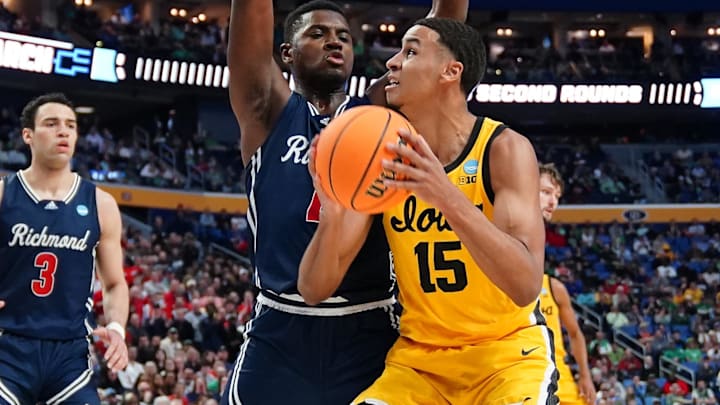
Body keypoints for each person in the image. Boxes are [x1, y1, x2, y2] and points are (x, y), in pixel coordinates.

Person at [300, 18, 558, 404]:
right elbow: (313, 288)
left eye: (411, 51)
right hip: (420, 364)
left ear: (451, 71)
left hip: (506, 356)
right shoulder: (385, 155)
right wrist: (335, 209)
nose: (391, 62)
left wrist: (445, 195)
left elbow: (523, 286)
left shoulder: (503, 148)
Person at [222, 1, 467, 404]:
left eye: (344, 37)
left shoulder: (380, 113)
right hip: (281, 329)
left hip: (369, 327)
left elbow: (441, 33)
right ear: (287, 54)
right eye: (317, 34)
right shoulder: (267, 110)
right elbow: (249, 23)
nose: (334, 41)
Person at [0, 93, 129, 404]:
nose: (64, 131)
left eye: (71, 125)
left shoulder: (101, 204)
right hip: (7, 347)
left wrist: (116, 328)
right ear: (27, 135)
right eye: (51, 123)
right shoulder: (4, 194)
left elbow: (114, 283)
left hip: (69, 353)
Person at [538, 162, 596, 404]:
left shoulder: (553, 287)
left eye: (557, 196)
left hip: (558, 377)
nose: (554, 202)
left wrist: (585, 375)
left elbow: (575, 333)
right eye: (546, 192)